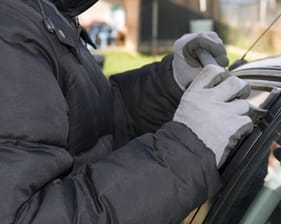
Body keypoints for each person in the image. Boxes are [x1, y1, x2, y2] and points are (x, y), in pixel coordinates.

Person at [0, 0, 253, 223]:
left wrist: (170, 83)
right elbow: (25, 215)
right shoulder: (9, 28)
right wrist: (185, 150)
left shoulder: (42, 13)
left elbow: (94, 129)